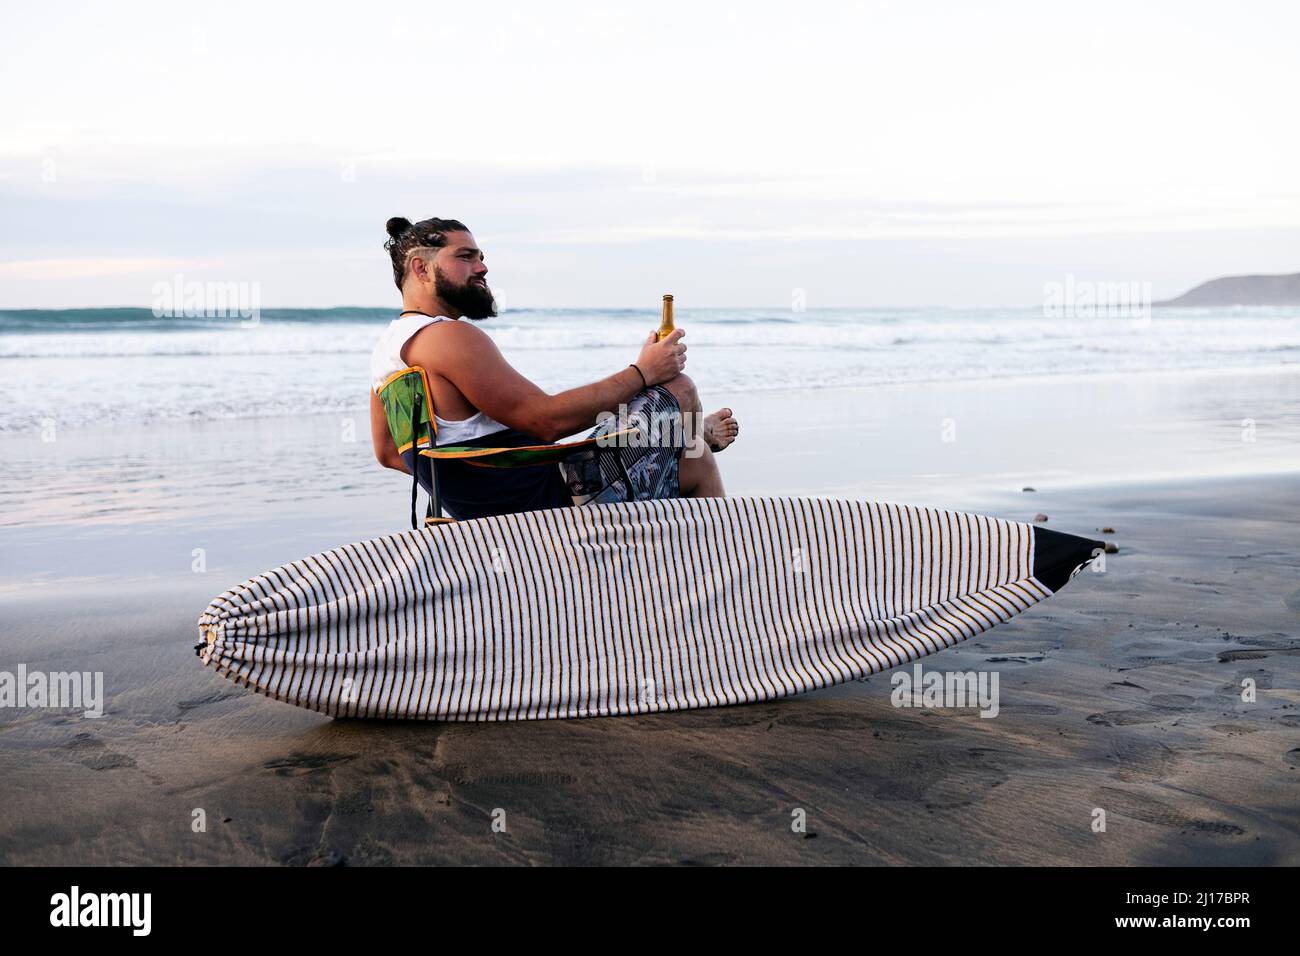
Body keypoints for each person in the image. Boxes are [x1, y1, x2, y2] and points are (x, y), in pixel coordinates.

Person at [369, 216, 739, 521]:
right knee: (678, 387)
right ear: (420, 267)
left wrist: (468, 487)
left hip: (493, 511)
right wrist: (643, 371)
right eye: (465, 257)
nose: (482, 267)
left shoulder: (387, 353)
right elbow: (545, 421)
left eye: (481, 256)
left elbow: (388, 453)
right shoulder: (449, 338)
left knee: (697, 462)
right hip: (556, 502)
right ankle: (690, 443)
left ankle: (688, 439)